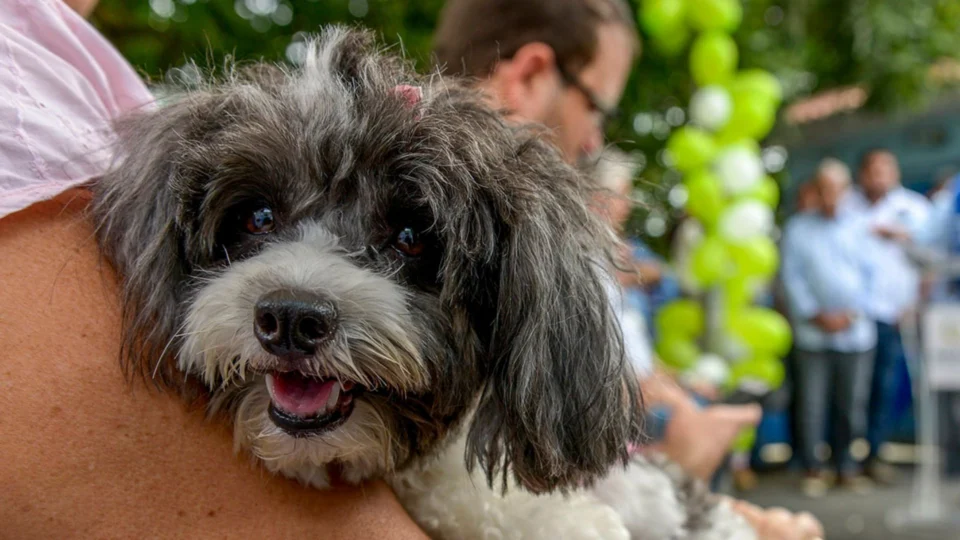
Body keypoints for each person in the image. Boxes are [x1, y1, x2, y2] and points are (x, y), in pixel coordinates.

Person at [0, 1, 427, 536]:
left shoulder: (66, 51)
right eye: (258, 220)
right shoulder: (12, 60)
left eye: (405, 242)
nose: (294, 304)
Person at [782, 158, 880, 498]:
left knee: (851, 404)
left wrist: (849, 315)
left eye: (836, 189)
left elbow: (872, 278)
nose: (830, 196)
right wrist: (814, 313)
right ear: (815, 190)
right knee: (812, 404)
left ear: (846, 190)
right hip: (813, 332)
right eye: (823, 189)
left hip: (855, 334)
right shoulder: (798, 228)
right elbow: (791, 278)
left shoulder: (861, 226)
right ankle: (813, 467)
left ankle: (846, 467)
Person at [844, 149, 931, 484]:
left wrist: (903, 236)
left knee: (885, 385)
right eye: (872, 170)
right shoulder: (847, 207)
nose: (879, 176)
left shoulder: (914, 209)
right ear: (862, 174)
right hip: (853, 316)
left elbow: (932, 261)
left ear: (895, 173)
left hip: (896, 313)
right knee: (852, 389)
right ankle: (844, 457)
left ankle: (875, 453)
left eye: (885, 170)